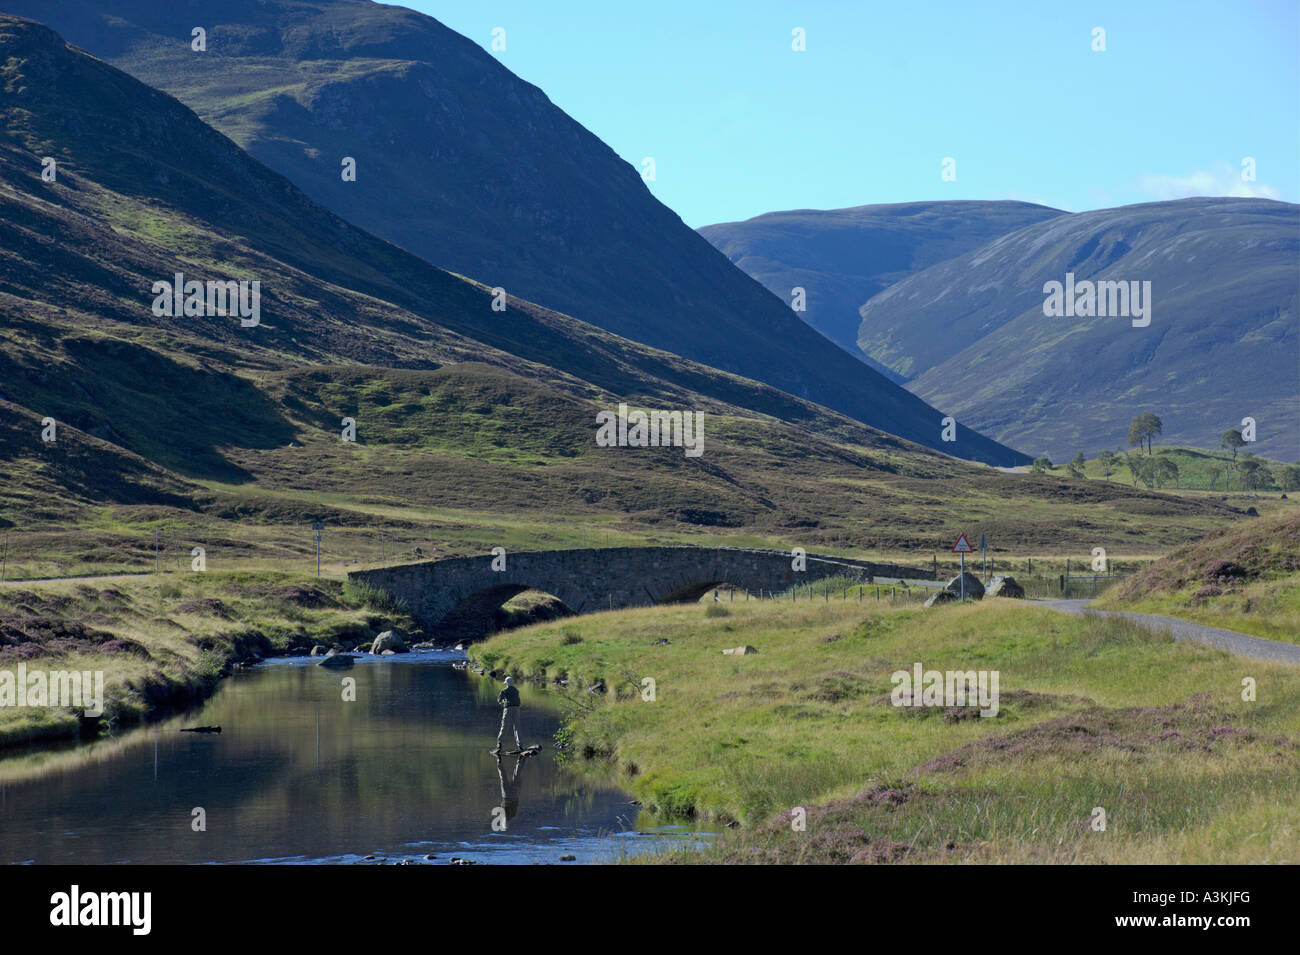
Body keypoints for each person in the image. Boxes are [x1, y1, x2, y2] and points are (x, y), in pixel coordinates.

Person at [492, 676, 522, 755]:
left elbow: (499, 700)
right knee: (517, 727)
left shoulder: (504, 691)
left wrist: (503, 702)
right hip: (517, 709)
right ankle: (520, 746)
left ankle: (499, 745)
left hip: (508, 709)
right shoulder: (516, 690)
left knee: (504, 727)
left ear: (507, 684)